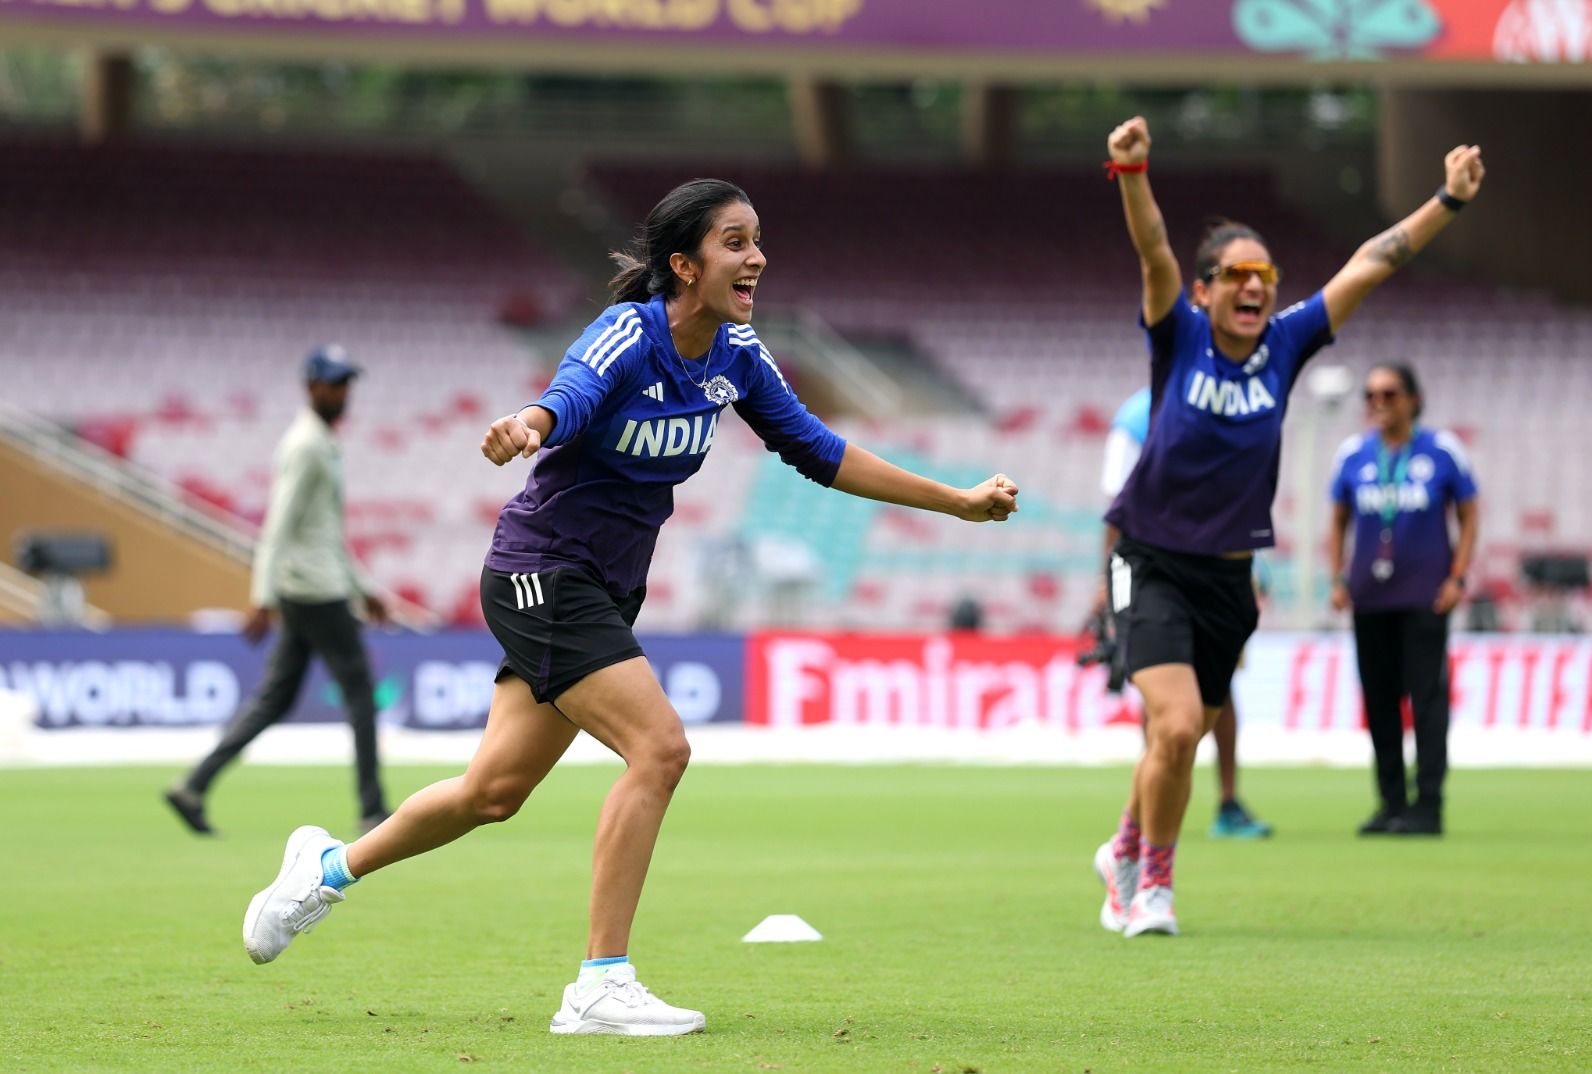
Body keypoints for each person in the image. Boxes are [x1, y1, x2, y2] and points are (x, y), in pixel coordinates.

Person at [237, 179, 1020, 1036]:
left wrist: (956, 500)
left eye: (756, 239)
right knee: (660, 747)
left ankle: (323, 869)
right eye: (734, 241)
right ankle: (598, 985)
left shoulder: (738, 355)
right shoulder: (630, 332)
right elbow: (569, 394)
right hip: (542, 571)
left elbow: (819, 451)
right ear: (683, 265)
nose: (755, 255)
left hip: (601, 590)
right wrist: (531, 424)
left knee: (491, 792)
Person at [1090, 115, 1484, 939]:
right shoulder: (1179, 333)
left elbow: (1372, 261)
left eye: (1263, 273)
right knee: (1176, 723)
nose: (1252, 286)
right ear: (1204, 290)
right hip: (1152, 559)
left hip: (1230, 579)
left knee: (1184, 731)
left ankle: (1124, 843)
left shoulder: (1288, 343)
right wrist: (1132, 173)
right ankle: (1149, 884)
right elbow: (1154, 248)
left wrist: (1446, 199)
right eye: (1234, 275)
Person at [164, 347, 389, 837]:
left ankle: (193, 786)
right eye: (334, 383)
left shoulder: (321, 441)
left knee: (275, 699)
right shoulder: (307, 446)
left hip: (312, 586)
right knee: (360, 696)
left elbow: (324, 530)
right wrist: (262, 597)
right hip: (314, 590)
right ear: (311, 386)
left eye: (347, 382)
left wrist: (364, 587)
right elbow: (279, 528)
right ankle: (373, 809)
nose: (343, 392)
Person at [1098, 387, 1273, 840]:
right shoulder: (1137, 415)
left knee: (1217, 690)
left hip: (1222, 572)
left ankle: (1224, 801)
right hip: (1154, 569)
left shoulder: (1245, 398)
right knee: (1164, 700)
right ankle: (1152, 803)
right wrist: (1110, 581)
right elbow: (1116, 508)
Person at [1329, 363, 1478, 837]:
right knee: (1378, 701)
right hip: (1370, 597)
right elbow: (1337, 521)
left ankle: (1428, 804)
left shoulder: (1442, 450)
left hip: (1425, 598)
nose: (1378, 402)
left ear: (1414, 399)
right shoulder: (1353, 454)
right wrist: (1336, 577)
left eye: (1389, 393)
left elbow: (1471, 515)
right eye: (1371, 394)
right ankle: (1390, 803)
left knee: (1427, 700)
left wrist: (1457, 577)